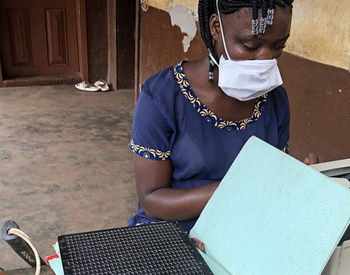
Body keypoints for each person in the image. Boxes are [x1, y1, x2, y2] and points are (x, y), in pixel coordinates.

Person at [128, 0, 316, 231]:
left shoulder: (274, 99)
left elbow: (271, 176)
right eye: (250, 45)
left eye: (278, 46)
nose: (265, 59)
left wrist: (299, 175)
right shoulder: (162, 97)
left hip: (244, 224)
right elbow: (152, 201)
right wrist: (237, 188)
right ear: (216, 28)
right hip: (173, 231)